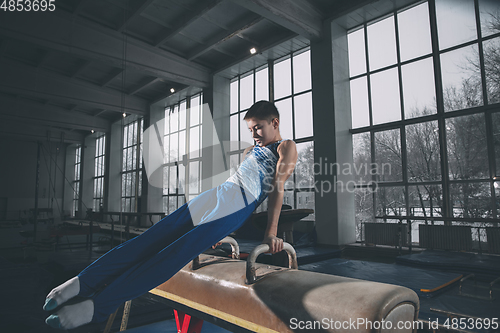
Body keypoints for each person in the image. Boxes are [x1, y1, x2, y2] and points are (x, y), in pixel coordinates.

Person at [43, 100, 298, 329]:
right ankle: (82, 282)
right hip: (217, 194)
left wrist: (271, 233)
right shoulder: (249, 151)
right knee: (151, 238)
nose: (253, 134)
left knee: (172, 255)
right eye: (250, 129)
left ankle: (97, 307)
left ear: (275, 123)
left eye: (258, 128)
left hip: (239, 204)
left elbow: (277, 187)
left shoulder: (285, 147)